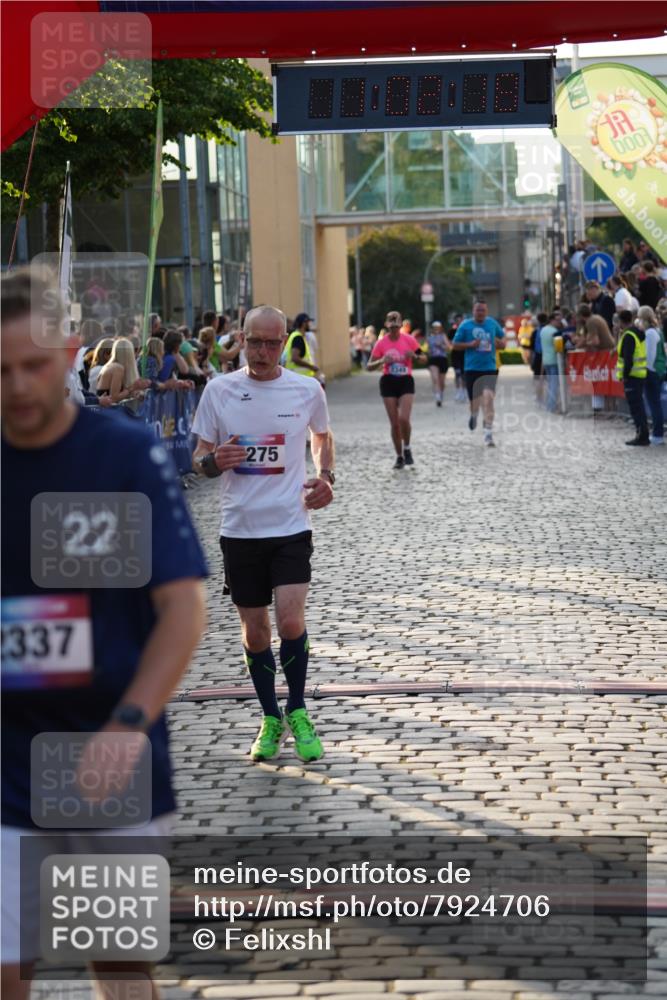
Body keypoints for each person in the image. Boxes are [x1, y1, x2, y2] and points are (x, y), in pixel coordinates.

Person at [1, 268, 207, 999]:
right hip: (2, 757)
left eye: (34, 365)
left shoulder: (120, 457)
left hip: (103, 755)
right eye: (1, 371)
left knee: (115, 960)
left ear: (70, 352)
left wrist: (127, 725)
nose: (19, 386)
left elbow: (181, 608)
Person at [191, 305, 335, 763]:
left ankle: (297, 708)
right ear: (242, 338)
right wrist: (215, 463)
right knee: (256, 632)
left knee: (291, 620)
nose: (264, 352)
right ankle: (270, 716)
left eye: (273, 343)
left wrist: (326, 475)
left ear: (285, 342)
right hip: (241, 530)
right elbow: (200, 457)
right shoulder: (220, 390)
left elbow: (322, 436)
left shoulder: (307, 389)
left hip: (290, 524)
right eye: (255, 342)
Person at [367, 309, 424, 468]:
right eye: (391, 327)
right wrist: (382, 360)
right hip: (388, 381)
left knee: (404, 419)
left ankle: (407, 448)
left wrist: (415, 356)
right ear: (386, 325)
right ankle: (399, 457)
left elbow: (424, 357)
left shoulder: (409, 340)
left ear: (400, 326)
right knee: (394, 423)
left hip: (406, 380)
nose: (394, 330)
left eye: (396, 327)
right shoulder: (381, 343)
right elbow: (369, 366)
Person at [451, 301, 506, 447]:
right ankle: (474, 414)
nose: (480, 312)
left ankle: (488, 434)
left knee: (488, 398)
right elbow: (455, 344)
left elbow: (503, 339)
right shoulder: (465, 325)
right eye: (478, 310)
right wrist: (470, 345)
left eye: (483, 310)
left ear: (486, 311)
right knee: (475, 402)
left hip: (490, 367)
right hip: (471, 369)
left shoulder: (492, 323)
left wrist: (501, 343)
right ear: (473, 311)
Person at [616, 309, 649, 446]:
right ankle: (642, 434)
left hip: (632, 376)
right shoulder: (636, 333)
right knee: (638, 406)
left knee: (636, 408)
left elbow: (628, 358)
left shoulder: (629, 336)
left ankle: (641, 436)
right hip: (639, 375)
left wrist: (625, 375)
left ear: (620, 322)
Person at [636, 305, 665, 445]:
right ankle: (657, 433)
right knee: (655, 403)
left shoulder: (650, 334)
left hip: (652, 371)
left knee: (654, 404)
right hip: (656, 370)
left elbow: (649, 355)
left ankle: (658, 434)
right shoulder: (656, 331)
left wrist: (646, 371)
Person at [95, 337, 151, 402]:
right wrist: (132, 388)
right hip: (106, 410)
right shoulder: (117, 368)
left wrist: (136, 393)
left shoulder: (110, 366)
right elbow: (114, 398)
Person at [284, 312, 320, 379]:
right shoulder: (298, 337)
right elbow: (295, 358)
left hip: (296, 377)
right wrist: (312, 367)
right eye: (308, 322)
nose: (310, 325)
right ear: (304, 323)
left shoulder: (296, 335)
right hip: (298, 378)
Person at [539, 312, 563, 413]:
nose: (559, 322)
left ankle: (549, 404)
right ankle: (552, 406)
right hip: (554, 360)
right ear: (552, 320)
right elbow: (559, 347)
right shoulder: (554, 332)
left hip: (546, 360)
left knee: (550, 384)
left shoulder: (543, 330)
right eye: (558, 320)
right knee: (554, 384)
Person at [426, 321, 450, 407]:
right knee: (435, 379)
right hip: (433, 359)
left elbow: (448, 348)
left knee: (442, 381)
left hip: (442, 359)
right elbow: (428, 349)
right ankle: (437, 397)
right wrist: (428, 352)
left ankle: (441, 393)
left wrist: (441, 345)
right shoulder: (429, 337)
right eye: (434, 327)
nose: (436, 329)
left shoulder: (443, 336)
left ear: (440, 328)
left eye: (438, 327)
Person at [448, 314, 465, 401]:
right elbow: (451, 344)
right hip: (455, 355)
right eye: (457, 321)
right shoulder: (452, 331)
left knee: (464, 374)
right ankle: (458, 391)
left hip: (464, 355)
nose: (459, 322)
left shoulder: (466, 330)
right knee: (457, 374)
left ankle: (464, 391)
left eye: (461, 320)